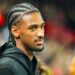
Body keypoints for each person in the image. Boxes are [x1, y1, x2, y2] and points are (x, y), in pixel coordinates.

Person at [0, 2, 45, 75]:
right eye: (33, 28)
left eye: (42, 26)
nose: (41, 34)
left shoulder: (32, 66)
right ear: (15, 31)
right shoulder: (7, 68)